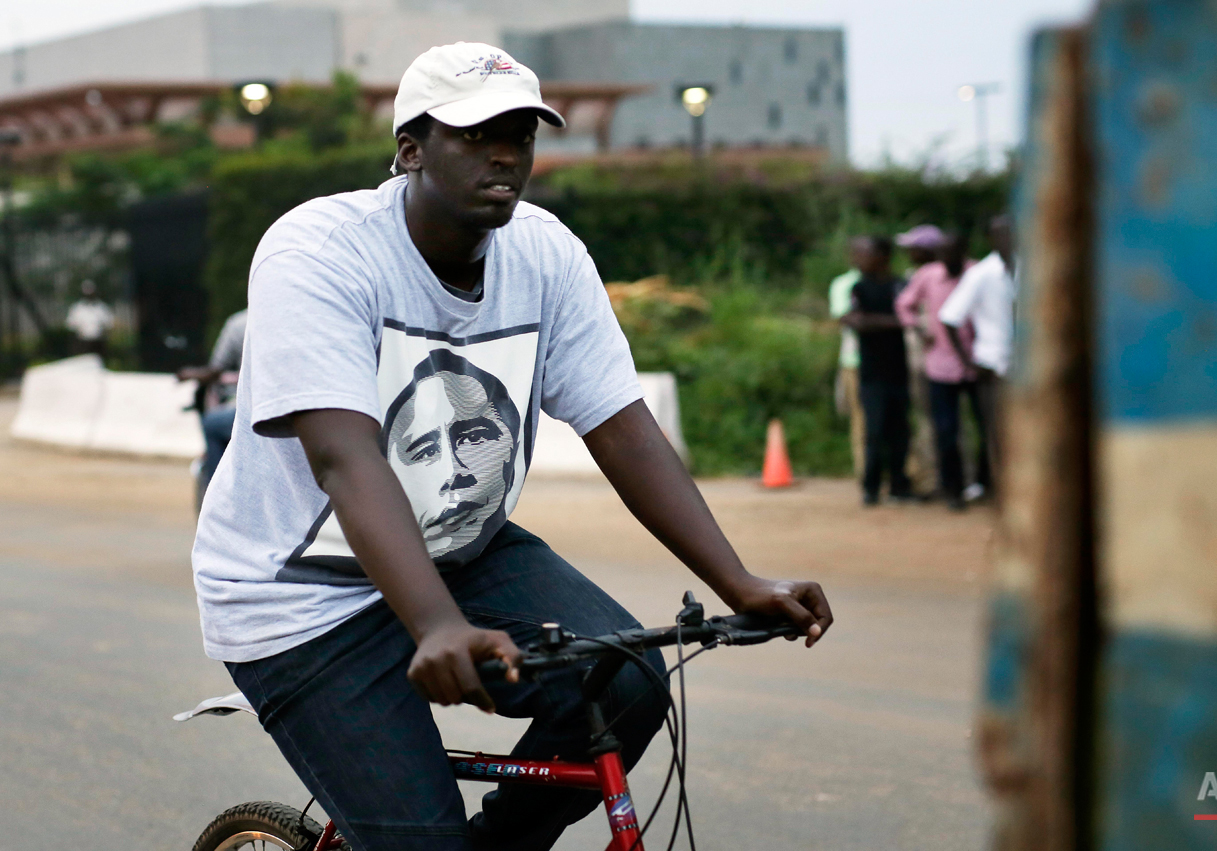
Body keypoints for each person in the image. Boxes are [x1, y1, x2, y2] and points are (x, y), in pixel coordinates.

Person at [191, 42, 832, 851]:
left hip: (462, 550)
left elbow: (622, 426)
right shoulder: (319, 252)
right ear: (410, 149)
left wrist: (737, 581)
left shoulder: (545, 253)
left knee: (630, 685)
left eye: (522, 133)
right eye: (473, 133)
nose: (504, 152)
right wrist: (434, 626)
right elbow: (345, 458)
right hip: (299, 601)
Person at [895, 233, 990, 511]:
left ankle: (985, 483)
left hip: (980, 363)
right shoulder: (928, 275)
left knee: (988, 427)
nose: (947, 259)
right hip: (940, 365)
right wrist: (918, 328)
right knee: (946, 430)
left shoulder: (979, 273)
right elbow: (904, 304)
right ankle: (953, 488)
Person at [938, 214, 1016, 498]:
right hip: (993, 364)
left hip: (1026, 366)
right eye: (1001, 233)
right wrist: (968, 361)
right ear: (991, 239)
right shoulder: (981, 274)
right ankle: (1000, 490)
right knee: (996, 431)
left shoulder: (1034, 267)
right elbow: (949, 317)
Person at [842, 235, 912, 505]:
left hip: (898, 371)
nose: (856, 259)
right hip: (872, 374)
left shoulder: (899, 285)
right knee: (874, 431)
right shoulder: (860, 287)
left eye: (863, 254)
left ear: (882, 257)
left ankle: (899, 485)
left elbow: (905, 320)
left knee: (900, 432)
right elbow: (857, 321)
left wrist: (874, 321)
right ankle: (871, 489)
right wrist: (893, 322)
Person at [894, 225, 946, 498]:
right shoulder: (916, 275)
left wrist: (918, 327)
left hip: (929, 360)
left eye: (913, 247)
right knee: (941, 419)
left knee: (931, 419)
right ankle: (942, 477)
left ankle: (934, 479)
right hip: (935, 359)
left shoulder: (927, 275)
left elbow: (904, 309)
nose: (908, 252)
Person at [178, 308, 247, 487]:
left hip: (252, 409)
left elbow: (216, 369)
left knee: (212, 425)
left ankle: (217, 487)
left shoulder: (239, 323)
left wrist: (189, 373)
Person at [828, 241, 865, 476]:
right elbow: (846, 318)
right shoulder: (844, 284)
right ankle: (866, 474)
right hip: (854, 361)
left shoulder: (892, 282)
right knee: (860, 421)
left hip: (891, 362)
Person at [65, 279, 114, 358]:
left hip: (98, 342)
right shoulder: (77, 308)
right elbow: (70, 324)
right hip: (83, 342)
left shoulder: (101, 307)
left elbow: (109, 323)